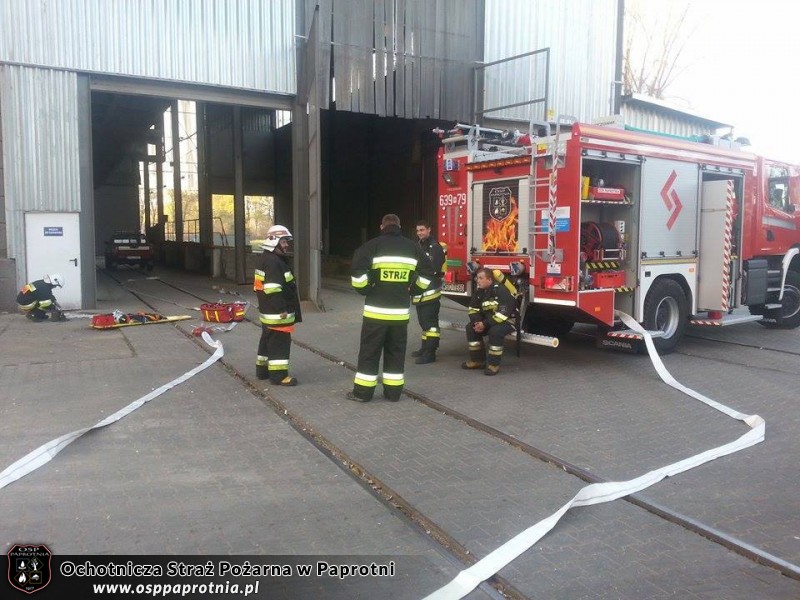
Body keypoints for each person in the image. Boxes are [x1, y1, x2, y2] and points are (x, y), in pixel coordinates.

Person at [348, 214, 435, 402]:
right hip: (399, 315)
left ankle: (362, 394)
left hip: (375, 313)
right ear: (399, 226)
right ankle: (393, 393)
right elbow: (428, 271)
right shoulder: (413, 247)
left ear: (382, 226)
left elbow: (357, 270)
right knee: (396, 353)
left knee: (369, 353)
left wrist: (366, 289)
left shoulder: (372, 246)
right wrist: (414, 289)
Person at [254, 225, 302, 386]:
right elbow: (273, 288)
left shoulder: (266, 259)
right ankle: (279, 376)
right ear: (274, 241)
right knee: (279, 343)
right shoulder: (274, 262)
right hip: (277, 313)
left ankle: (263, 371)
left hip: (268, 311)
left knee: (267, 340)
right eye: (284, 241)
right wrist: (282, 309)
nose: (287, 245)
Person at [462, 268, 517, 375]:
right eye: (477, 278)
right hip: (489, 321)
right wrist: (477, 322)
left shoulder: (500, 290)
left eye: (481, 278)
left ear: (490, 280)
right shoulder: (479, 292)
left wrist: (485, 324)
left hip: (508, 321)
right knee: (470, 328)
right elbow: (473, 309)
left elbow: (502, 315)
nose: (478, 281)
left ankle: (493, 365)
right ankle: (478, 361)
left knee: (495, 331)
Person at [410, 220, 446, 364]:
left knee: (430, 324)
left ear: (429, 230)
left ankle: (430, 353)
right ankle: (424, 348)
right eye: (418, 230)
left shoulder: (435, 247)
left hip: (430, 292)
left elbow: (432, 269)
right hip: (420, 292)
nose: (420, 233)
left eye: (422, 230)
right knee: (424, 323)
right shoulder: (419, 245)